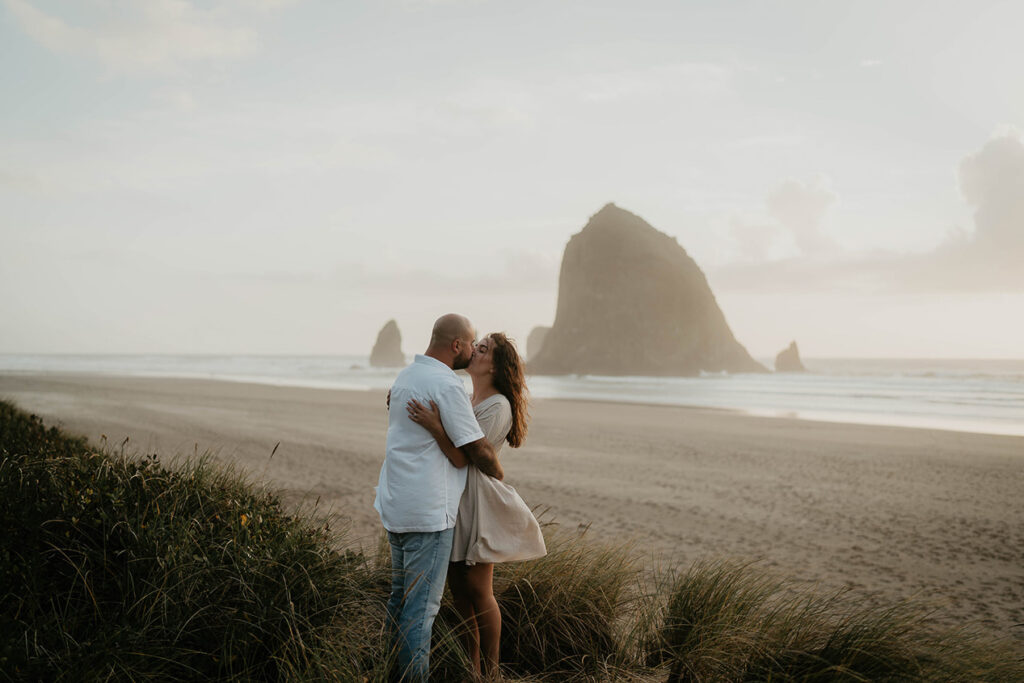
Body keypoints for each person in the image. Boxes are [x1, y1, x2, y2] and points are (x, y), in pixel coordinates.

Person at [406, 332, 546, 680]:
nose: (474, 351)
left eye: (482, 349)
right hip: (455, 496)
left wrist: (435, 425)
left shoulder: (498, 406)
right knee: (460, 593)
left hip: (477, 501)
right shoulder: (469, 398)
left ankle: (493, 671)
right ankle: (473, 668)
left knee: (480, 591)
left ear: (495, 366)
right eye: (476, 345)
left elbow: (462, 457)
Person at [374, 314, 504, 682]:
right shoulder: (446, 385)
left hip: (396, 504)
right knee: (421, 611)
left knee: (400, 600)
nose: (473, 351)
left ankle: (388, 672)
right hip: (427, 512)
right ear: (457, 346)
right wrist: (498, 470)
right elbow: (472, 452)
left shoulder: (406, 377)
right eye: (472, 344)